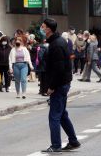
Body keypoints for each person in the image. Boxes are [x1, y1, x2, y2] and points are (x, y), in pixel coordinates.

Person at [40, 18, 80, 153]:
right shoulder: (59, 41)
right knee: (62, 114)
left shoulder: (56, 44)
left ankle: (56, 145)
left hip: (59, 84)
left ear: (49, 29)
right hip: (63, 83)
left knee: (54, 116)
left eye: (43, 26)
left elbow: (59, 68)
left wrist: (51, 86)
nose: (41, 28)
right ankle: (73, 141)